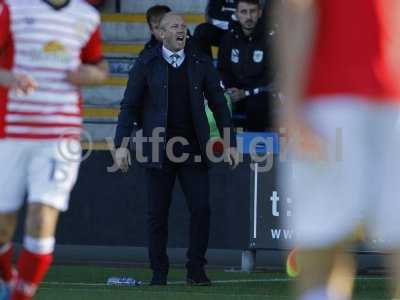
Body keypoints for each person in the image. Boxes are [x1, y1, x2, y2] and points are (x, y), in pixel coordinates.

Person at [278, 0, 400, 299]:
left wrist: (290, 107)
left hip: (332, 101)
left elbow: (297, 8)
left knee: (322, 241)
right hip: (392, 98)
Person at [114, 12, 238, 286]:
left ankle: (196, 269)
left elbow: (219, 104)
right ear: (161, 33)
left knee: (202, 209)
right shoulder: (146, 63)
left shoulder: (200, 61)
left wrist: (229, 142)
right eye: (174, 26)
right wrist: (121, 145)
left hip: (194, 149)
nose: (181, 30)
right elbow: (129, 106)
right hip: (159, 149)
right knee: (157, 214)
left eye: (183, 26)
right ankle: (159, 272)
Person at [0, 0, 108, 299]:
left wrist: (93, 75)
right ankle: (8, 278)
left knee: (42, 216)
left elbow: (100, 65)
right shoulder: (13, 8)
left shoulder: (86, 16)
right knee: (3, 226)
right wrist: (10, 79)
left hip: (60, 136)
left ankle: (21, 295)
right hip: (9, 133)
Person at [217, 0, 275, 131]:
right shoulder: (228, 39)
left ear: (260, 13)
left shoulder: (270, 40)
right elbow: (222, 70)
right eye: (243, 12)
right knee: (216, 103)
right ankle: (222, 147)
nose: (248, 17)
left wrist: (246, 93)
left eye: (252, 11)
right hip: (235, 93)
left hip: (258, 94)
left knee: (256, 105)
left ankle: (254, 149)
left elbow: (271, 77)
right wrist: (229, 90)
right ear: (236, 14)